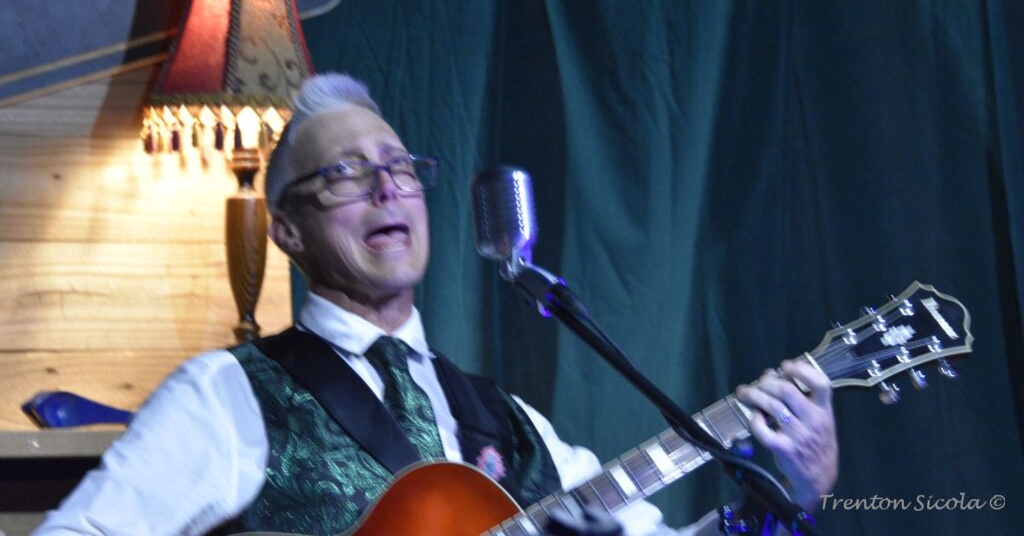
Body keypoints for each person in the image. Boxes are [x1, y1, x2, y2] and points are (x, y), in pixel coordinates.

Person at [34, 73, 838, 536]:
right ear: (286, 229)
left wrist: (791, 496)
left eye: (401, 166)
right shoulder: (228, 394)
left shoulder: (506, 422)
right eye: (345, 173)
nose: (387, 185)